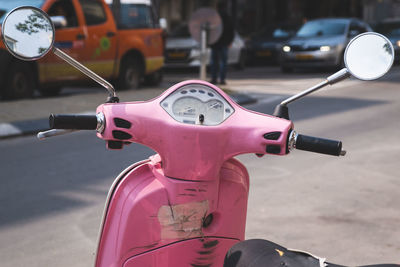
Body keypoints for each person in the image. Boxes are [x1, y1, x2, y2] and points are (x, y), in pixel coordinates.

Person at [210, 1, 234, 85]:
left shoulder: (215, 17)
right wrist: (230, 41)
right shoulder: (228, 17)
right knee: (223, 62)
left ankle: (214, 79)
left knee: (214, 62)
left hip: (215, 43)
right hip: (224, 43)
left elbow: (210, 30)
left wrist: (209, 42)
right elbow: (231, 30)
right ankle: (222, 80)